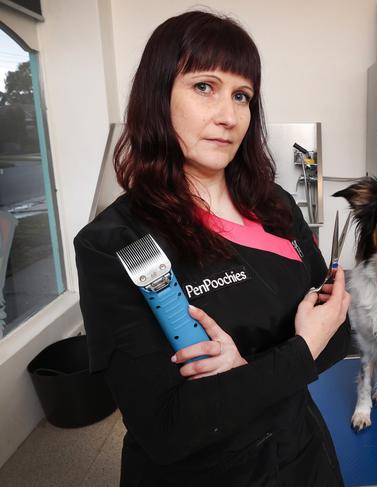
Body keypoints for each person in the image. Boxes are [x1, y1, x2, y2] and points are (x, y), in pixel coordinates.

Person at [74, 11, 351, 487]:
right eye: (205, 87)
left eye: (242, 96)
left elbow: (339, 335)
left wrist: (246, 371)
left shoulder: (278, 208)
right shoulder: (117, 243)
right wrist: (299, 349)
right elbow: (166, 428)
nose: (228, 115)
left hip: (302, 457)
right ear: (159, 96)